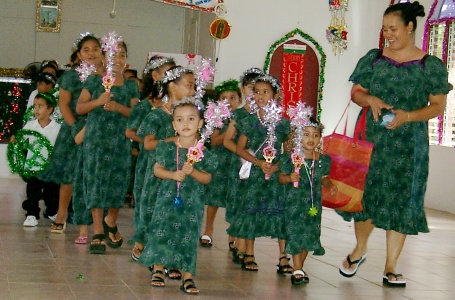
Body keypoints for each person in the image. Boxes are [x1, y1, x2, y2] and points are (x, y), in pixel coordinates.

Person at [338, 1, 451, 287]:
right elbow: (357, 92)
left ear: (410, 27)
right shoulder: (374, 59)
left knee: (402, 201)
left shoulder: (430, 65)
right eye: (384, 28)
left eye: (393, 28)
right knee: (366, 197)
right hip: (371, 140)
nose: (388, 34)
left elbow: (438, 106)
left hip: (409, 145)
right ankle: (360, 249)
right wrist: (371, 99)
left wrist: (409, 116)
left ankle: (391, 266)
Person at [140, 101, 217, 295]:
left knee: (189, 235)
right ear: (174, 124)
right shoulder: (167, 147)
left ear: (200, 123)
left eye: (191, 119)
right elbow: (157, 170)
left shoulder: (203, 152)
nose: (185, 124)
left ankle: (188, 276)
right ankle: (158, 268)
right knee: (161, 231)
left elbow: (207, 178)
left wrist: (192, 173)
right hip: (167, 199)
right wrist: (173, 175)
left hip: (193, 202)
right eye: (180, 119)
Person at [76, 40, 139, 255]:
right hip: (96, 141)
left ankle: (110, 219)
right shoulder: (94, 81)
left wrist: (118, 107)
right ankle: (98, 232)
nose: (117, 60)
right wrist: (97, 101)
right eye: (113, 56)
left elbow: (136, 114)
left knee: (118, 183)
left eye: (122, 55)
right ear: (103, 58)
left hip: (120, 142)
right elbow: (80, 108)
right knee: (96, 183)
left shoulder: (131, 85)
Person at [38, 33, 104, 236]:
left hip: (99, 131)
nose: (91, 53)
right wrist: (75, 127)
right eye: (86, 49)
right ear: (78, 54)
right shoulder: (70, 76)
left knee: (95, 175)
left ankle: (96, 222)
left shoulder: (107, 75)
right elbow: (64, 104)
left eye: (95, 48)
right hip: (73, 128)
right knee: (68, 176)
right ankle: (61, 215)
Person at [226, 75, 292, 273]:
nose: (260, 96)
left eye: (265, 92)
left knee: (280, 213)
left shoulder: (284, 123)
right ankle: (249, 253)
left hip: (276, 176)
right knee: (251, 212)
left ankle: (283, 257)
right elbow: (239, 148)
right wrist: (257, 162)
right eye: (257, 92)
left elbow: (289, 150)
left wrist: (278, 166)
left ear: (276, 95)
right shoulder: (250, 121)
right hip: (255, 174)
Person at [135, 66, 195, 280]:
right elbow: (148, 144)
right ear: (172, 86)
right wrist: (175, 141)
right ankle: (157, 260)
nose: (192, 89)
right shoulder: (156, 115)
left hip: (182, 175)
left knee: (176, 217)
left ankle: (173, 259)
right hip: (160, 175)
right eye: (188, 85)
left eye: (194, 85)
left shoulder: (192, 116)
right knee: (157, 216)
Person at [126, 56, 176, 261]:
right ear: (155, 76)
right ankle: (141, 242)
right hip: (149, 161)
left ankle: (162, 243)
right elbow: (130, 132)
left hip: (170, 162)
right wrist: (156, 141)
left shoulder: (176, 108)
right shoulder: (144, 106)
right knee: (146, 201)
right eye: (167, 72)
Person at [279, 117, 337, 285]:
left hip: (313, 204)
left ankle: (299, 266)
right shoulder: (291, 158)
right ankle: (297, 267)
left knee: (309, 234)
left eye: (315, 135)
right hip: (295, 204)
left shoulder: (322, 160)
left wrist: (330, 185)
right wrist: (289, 178)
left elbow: (323, 178)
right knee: (296, 233)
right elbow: (280, 178)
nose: (311, 139)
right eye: (306, 134)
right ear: (298, 136)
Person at [223, 68, 264, 263]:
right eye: (250, 88)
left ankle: (246, 247)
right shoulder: (239, 114)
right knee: (238, 203)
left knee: (252, 205)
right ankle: (237, 240)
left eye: (259, 89)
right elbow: (227, 141)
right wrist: (244, 155)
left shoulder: (266, 115)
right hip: (238, 165)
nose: (254, 92)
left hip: (258, 167)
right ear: (243, 89)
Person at [200, 79, 242, 248]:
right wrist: (229, 133)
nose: (229, 102)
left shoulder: (243, 117)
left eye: (233, 98)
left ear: (240, 100)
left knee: (236, 199)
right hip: (220, 162)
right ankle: (208, 229)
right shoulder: (217, 118)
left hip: (237, 162)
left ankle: (233, 235)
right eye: (224, 98)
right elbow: (215, 141)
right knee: (214, 198)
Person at [11, 93, 61, 227]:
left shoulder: (57, 128)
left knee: (52, 193)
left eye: (40, 106)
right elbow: (22, 141)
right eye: (35, 106)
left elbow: (59, 148)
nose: (37, 110)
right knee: (33, 191)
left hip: (50, 169)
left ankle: (51, 211)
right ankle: (32, 214)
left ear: (50, 109)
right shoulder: (30, 125)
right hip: (33, 167)